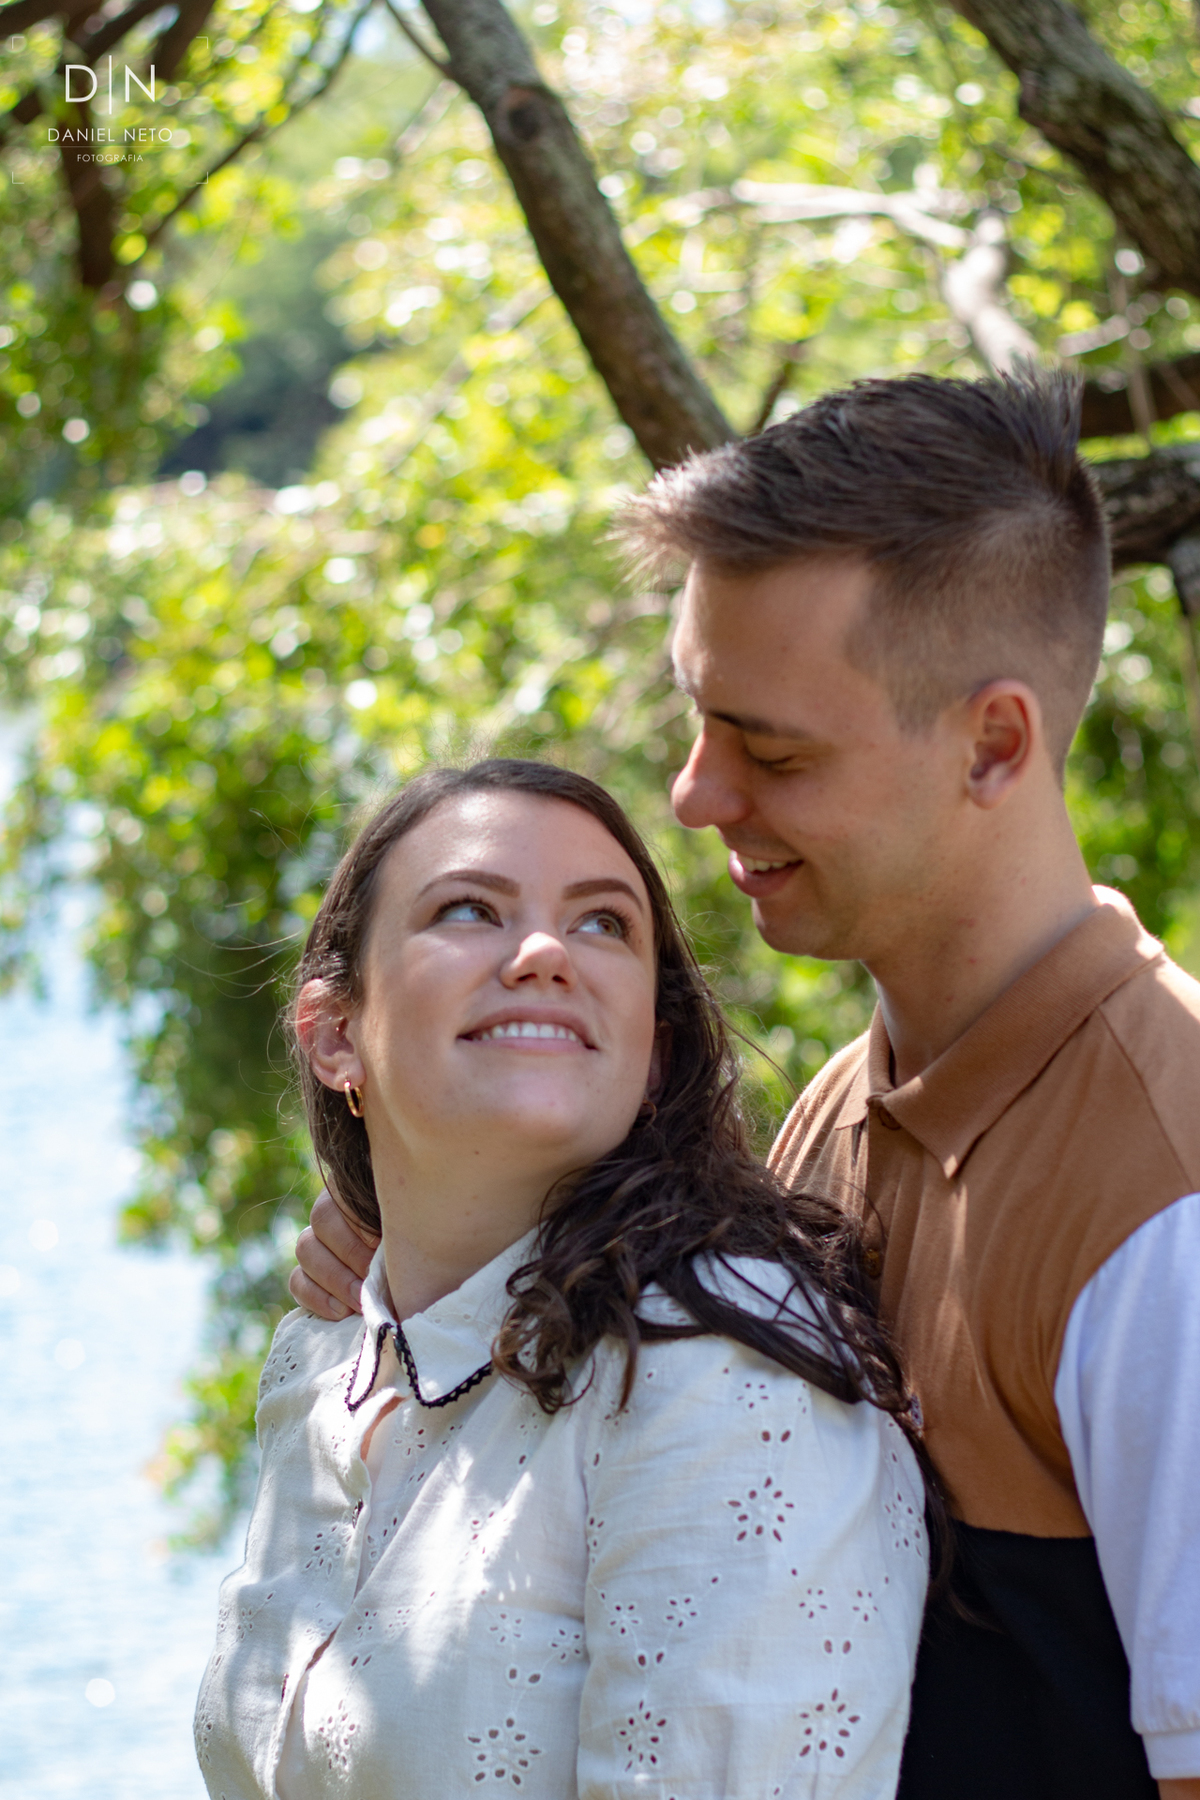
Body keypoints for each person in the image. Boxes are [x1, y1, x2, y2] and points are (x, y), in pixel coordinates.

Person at [296, 373, 1200, 1800]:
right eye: (699, 721)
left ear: (997, 743)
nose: (697, 796)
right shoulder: (841, 1114)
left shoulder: (1169, 1203)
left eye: (772, 749)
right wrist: (411, 1260)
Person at [197, 758, 929, 1800]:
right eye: (468, 908)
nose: (544, 951)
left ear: (656, 1056)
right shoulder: (317, 1358)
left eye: (602, 925)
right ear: (333, 1035)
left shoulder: (723, 1383)